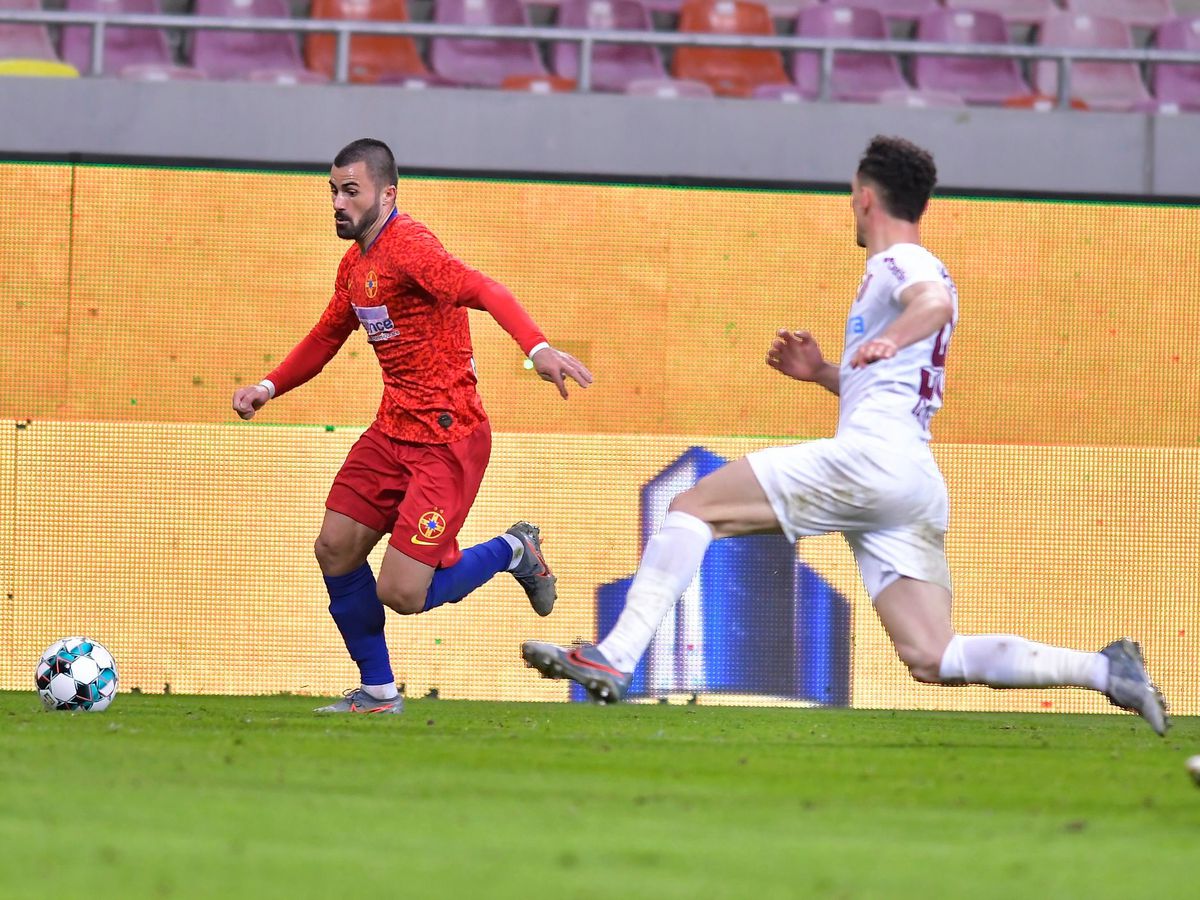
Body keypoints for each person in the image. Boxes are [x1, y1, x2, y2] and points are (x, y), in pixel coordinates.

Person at [522, 135, 1169, 735]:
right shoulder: (909, 271)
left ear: (864, 196)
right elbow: (892, 375)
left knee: (691, 507)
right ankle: (1104, 669)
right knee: (932, 654)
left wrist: (891, 334)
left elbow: (932, 307)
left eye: (851, 199)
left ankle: (615, 656)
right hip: (910, 479)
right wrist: (822, 373)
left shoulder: (901, 263)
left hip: (872, 463)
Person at [233, 138, 592, 714]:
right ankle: (378, 692)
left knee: (401, 593)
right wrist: (269, 387)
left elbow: (483, 288)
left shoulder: (412, 248)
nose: (339, 203)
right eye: (333, 191)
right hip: (390, 432)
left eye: (352, 191)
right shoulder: (355, 266)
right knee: (334, 549)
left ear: (387, 192)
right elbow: (327, 337)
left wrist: (538, 346)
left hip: (448, 441)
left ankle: (513, 551)